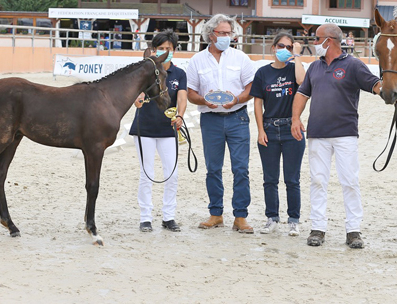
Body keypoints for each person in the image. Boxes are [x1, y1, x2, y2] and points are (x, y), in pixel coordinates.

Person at [291, 23, 382, 249]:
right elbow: (302, 94)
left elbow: (375, 85)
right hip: (317, 133)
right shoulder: (314, 68)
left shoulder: (353, 65)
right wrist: (295, 118)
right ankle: (318, 228)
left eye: (316, 39)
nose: (314, 43)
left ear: (328, 41)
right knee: (318, 180)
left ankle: (353, 230)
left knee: (349, 181)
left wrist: (393, 92)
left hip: (345, 134)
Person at [186, 14, 256, 234]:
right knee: (213, 169)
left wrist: (237, 99)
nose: (227, 37)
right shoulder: (197, 60)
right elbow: (190, 93)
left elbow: (250, 88)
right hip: (210, 119)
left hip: (238, 118)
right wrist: (203, 100)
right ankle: (216, 214)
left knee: (241, 169)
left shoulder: (241, 58)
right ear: (210, 34)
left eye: (229, 33)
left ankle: (241, 216)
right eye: (223, 33)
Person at [129, 30, 188, 233]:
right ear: (154, 50)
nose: (165, 52)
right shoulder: (144, 72)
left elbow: (181, 97)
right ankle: (145, 217)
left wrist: (180, 115)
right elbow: (136, 100)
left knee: (172, 174)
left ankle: (168, 216)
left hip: (168, 129)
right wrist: (137, 99)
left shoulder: (179, 74)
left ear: (174, 50)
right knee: (147, 174)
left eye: (168, 49)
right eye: (161, 48)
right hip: (144, 128)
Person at [250, 32, 306, 236]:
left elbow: (302, 81)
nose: (285, 50)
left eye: (289, 47)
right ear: (273, 47)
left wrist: (297, 56)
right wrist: (260, 130)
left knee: (292, 179)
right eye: (281, 46)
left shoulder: (294, 69)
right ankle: (271, 218)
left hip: (292, 129)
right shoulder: (262, 73)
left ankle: (294, 220)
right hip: (270, 129)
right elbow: (257, 103)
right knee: (270, 178)